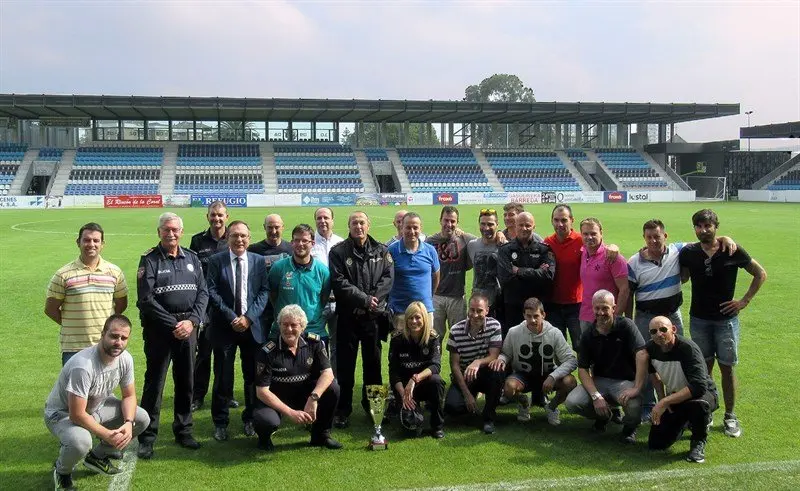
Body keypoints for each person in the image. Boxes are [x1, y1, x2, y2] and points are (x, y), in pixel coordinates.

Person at [626, 219, 736, 422]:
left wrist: (724, 238)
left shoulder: (678, 250)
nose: (653, 241)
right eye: (649, 237)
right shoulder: (634, 262)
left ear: (665, 236)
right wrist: (630, 322)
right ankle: (649, 405)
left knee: (680, 357)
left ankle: (681, 403)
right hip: (646, 318)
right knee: (647, 359)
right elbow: (629, 293)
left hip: (671, 316)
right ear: (644, 238)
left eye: (657, 236)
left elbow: (705, 240)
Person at [679, 209, 767, 438]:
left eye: (708, 226)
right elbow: (682, 275)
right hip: (699, 319)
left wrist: (744, 301)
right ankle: (705, 413)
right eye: (699, 226)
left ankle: (730, 416)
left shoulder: (731, 250)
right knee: (703, 370)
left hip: (726, 322)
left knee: (727, 369)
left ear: (716, 227)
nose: (703, 230)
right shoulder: (689, 253)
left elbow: (760, 274)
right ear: (694, 228)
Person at [45, 315, 150, 490]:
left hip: (96, 407)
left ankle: (97, 457)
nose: (118, 342)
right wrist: (106, 434)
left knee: (141, 418)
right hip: (62, 414)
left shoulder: (125, 359)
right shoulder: (83, 365)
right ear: (103, 334)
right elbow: (76, 414)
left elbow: (129, 396)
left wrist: (128, 423)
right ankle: (62, 472)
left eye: (124, 338)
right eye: (114, 336)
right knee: (81, 441)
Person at [136, 212, 208, 459]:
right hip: (159, 332)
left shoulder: (193, 258)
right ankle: (147, 436)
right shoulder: (149, 260)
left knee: (186, 382)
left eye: (175, 230)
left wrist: (192, 321)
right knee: (154, 384)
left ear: (181, 232)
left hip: (188, 330)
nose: (171, 234)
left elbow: (203, 293)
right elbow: (146, 300)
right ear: (159, 232)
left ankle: (184, 430)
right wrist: (174, 324)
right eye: (166, 230)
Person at [329, 211, 394, 429]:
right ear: (348, 226)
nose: (359, 226)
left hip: (373, 319)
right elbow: (339, 283)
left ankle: (375, 409)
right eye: (354, 223)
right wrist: (365, 299)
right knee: (345, 368)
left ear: (368, 224)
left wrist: (374, 301)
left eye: (362, 222)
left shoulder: (382, 251)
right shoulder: (338, 252)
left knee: (373, 366)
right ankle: (343, 410)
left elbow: (387, 278)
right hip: (348, 319)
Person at [206, 220, 270, 442]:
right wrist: (232, 317)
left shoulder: (258, 261)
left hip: (252, 328)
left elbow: (263, 292)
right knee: (223, 376)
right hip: (225, 327)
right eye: (235, 236)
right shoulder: (216, 261)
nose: (239, 240)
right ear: (228, 238)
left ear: (249, 238)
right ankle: (221, 422)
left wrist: (249, 318)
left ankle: (250, 418)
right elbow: (211, 291)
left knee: (252, 376)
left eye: (243, 236)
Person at [252, 305, 342, 451]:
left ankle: (321, 436)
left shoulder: (315, 343)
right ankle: (264, 439)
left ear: (303, 327)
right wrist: (290, 413)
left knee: (333, 388)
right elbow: (262, 391)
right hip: (275, 397)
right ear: (279, 325)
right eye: (284, 324)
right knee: (266, 420)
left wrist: (313, 398)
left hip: (304, 395)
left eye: (294, 325)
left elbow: (328, 373)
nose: (288, 329)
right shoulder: (267, 351)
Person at [565, 290, 645, 444]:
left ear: (614, 308)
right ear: (592, 308)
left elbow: (642, 354)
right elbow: (582, 369)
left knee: (633, 403)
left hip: (624, 381)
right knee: (573, 402)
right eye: (597, 308)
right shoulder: (588, 335)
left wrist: (637, 386)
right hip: (600, 381)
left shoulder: (626, 326)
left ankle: (630, 428)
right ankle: (604, 416)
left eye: (605, 308)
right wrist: (596, 397)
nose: (601, 313)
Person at [45, 222, 128, 365]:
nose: (91, 244)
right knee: (75, 388)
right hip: (74, 348)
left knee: (106, 387)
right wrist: (72, 325)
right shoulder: (63, 274)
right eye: (86, 240)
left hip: (106, 344)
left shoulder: (115, 272)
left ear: (102, 244)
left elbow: (121, 304)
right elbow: (50, 309)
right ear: (78, 242)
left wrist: (107, 326)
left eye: (96, 240)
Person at [489, 297, 577, 426]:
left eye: (536, 316)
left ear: (543, 315)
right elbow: (506, 353)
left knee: (570, 382)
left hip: (547, 374)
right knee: (508, 387)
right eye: (528, 316)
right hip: (523, 374)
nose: (532, 320)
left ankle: (551, 407)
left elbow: (571, 360)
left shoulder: (554, 333)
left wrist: (553, 376)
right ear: (524, 315)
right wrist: (501, 360)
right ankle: (524, 403)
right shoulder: (514, 332)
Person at [643, 316, 719, 463]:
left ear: (673, 329)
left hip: (704, 394)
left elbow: (699, 386)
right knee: (656, 444)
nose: (659, 334)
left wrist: (664, 402)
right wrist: (661, 399)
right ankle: (684, 422)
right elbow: (654, 375)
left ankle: (698, 441)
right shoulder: (651, 349)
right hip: (676, 396)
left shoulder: (688, 348)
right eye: (653, 331)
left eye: (663, 329)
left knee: (698, 405)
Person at [188, 201, 235, 412]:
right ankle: (198, 396)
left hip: (228, 306)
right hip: (205, 308)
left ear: (227, 216)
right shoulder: (198, 241)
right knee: (204, 354)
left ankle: (227, 395)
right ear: (207, 216)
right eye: (213, 215)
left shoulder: (234, 239)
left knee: (226, 355)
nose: (217, 219)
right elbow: (195, 275)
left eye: (220, 215)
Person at [445, 294, 504, 434]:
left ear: (487, 311)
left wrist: (477, 362)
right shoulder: (455, 330)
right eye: (472, 310)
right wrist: (467, 395)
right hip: (465, 376)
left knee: (497, 370)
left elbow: (494, 355)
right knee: (452, 408)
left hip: (485, 373)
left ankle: (488, 418)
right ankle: (472, 398)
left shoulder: (494, 326)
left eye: (479, 311)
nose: (475, 314)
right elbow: (454, 366)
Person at [389, 301, 446, 438]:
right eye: (410, 318)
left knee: (437, 381)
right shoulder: (397, 340)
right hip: (404, 389)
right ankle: (402, 407)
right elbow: (393, 372)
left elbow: (435, 366)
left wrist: (415, 379)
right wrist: (403, 394)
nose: (414, 321)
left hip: (423, 384)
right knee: (410, 430)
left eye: (418, 317)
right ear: (406, 320)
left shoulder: (433, 338)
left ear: (424, 319)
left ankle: (437, 425)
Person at [267, 224, 331, 343]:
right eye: (297, 240)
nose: (300, 244)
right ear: (292, 243)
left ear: (312, 243)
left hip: (313, 330)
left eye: (305, 241)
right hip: (284, 330)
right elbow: (273, 295)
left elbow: (323, 298)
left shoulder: (322, 271)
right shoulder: (278, 268)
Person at [497, 212, 556, 332]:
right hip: (513, 307)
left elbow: (548, 276)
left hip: (537, 309)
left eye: (528, 225)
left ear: (534, 227)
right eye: (521, 225)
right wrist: (536, 273)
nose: (524, 228)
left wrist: (518, 271)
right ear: (515, 226)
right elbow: (506, 279)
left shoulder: (544, 249)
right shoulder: (505, 250)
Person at [426, 206, 476, 339]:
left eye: (453, 221)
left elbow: (485, 241)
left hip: (457, 297)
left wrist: (499, 232)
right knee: (434, 337)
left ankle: (458, 361)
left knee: (459, 337)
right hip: (436, 297)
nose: (449, 224)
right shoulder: (430, 242)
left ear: (457, 222)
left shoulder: (465, 240)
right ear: (440, 220)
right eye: (446, 220)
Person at [388, 212, 440, 332]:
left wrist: (428, 296)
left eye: (415, 227)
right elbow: (386, 278)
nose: (412, 231)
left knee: (425, 348)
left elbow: (436, 276)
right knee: (401, 349)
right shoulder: (392, 250)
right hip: (400, 312)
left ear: (420, 228)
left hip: (424, 311)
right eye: (408, 227)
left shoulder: (430, 250)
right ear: (402, 228)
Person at [247, 213, 293, 341]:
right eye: (270, 227)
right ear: (264, 227)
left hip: (284, 305)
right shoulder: (254, 250)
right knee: (260, 345)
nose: (273, 231)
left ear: (283, 227)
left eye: (277, 227)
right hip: (261, 308)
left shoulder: (291, 249)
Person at [578, 218, 629, 333]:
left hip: (606, 318)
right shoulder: (583, 252)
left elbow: (624, 289)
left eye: (593, 233)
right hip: (585, 316)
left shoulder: (612, 257)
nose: (589, 237)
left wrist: (615, 317)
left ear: (601, 233)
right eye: (585, 234)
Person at [543, 205, 583, 350]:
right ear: (552, 221)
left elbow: (600, 250)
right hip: (553, 305)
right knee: (558, 348)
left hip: (577, 305)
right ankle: (564, 374)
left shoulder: (581, 240)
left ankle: (587, 373)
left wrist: (613, 248)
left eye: (564, 220)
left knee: (581, 346)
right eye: (556, 220)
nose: (560, 224)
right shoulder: (547, 242)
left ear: (572, 220)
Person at [311, 207, 344, 372]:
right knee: (314, 343)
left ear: (332, 220)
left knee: (338, 345)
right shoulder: (308, 244)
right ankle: (316, 381)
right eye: (319, 218)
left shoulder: (341, 242)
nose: (322, 221)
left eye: (326, 218)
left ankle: (335, 384)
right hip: (317, 303)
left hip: (339, 302)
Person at [467, 208, 507, 319]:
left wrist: (500, 234)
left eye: (490, 224)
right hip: (477, 303)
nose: (486, 228)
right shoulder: (472, 245)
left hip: (498, 302)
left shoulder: (505, 246)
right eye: (483, 224)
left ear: (497, 224)